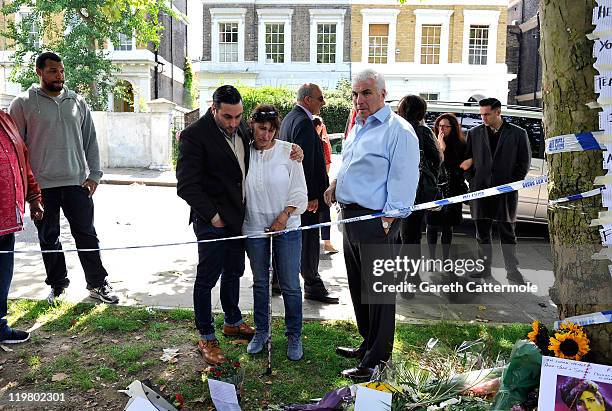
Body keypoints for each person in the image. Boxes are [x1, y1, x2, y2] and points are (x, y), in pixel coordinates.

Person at [176, 85, 303, 365]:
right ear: (214, 110)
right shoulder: (194, 136)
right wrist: (214, 217)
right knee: (207, 277)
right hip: (212, 222)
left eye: (237, 117)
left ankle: (232, 320)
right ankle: (206, 335)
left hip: (238, 220)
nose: (233, 123)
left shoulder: (243, 131)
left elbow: (264, 144)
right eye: (227, 117)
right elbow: (186, 186)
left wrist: (295, 150)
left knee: (233, 270)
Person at [324, 69, 419, 380]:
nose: (358, 99)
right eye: (355, 93)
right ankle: (368, 344)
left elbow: (404, 180)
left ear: (382, 93)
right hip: (350, 217)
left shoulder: (398, 131)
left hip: (377, 221)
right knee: (359, 288)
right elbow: (353, 164)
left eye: (365, 93)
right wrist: (336, 184)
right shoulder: (358, 126)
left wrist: (388, 220)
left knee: (378, 294)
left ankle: (377, 359)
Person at [8, 52, 118, 305]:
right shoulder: (22, 103)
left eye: (61, 71)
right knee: (49, 237)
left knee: (87, 234)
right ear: (39, 71)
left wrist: (94, 175)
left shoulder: (76, 101)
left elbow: (90, 140)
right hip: (42, 186)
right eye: (52, 71)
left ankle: (98, 283)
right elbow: (16, 149)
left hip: (77, 183)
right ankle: (58, 286)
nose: (59, 76)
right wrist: (26, 186)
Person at [243, 105, 307, 361]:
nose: (266, 135)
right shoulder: (243, 151)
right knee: (260, 283)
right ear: (252, 125)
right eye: (261, 128)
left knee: (291, 285)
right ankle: (262, 331)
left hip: (287, 227)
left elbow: (299, 191)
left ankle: (294, 335)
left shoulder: (288, 152)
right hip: (254, 226)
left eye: (271, 130)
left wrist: (283, 218)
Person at [460, 98, 531, 284]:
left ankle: (512, 271)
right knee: (482, 233)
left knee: (508, 233)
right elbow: (467, 160)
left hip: (506, 191)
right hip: (480, 190)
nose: (483, 118)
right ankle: (483, 269)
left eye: (487, 114)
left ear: (498, 112)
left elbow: (523, 163)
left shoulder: (518, 133)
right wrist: (471, 180)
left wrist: (512, 184)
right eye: (481, 114)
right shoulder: (474, 133)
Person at [280, 83, 338, 304]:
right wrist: (311, 196)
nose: (323, 102)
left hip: (294, 194)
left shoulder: (290, 118)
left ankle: (279, 280)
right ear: (307, 100)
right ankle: (312, 284)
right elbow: (304, 164)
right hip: (305, 197)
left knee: (295, 238)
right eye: (320, 98)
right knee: (309, 241)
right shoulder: (303, 122)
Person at [0, 110, 44, 344]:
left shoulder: (6, 120)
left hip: (7, 220)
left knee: (2, 275)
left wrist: (34, 197)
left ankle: (0, 326)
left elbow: (22, 161)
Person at [397, 95, 441, 292]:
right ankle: (411, 278)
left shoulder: (395, 129)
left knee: (397, 235)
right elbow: (437, 159)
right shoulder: (423, 131)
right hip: (416, 193)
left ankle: (398, 275)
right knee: (412, 237)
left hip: (395, 190)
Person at [426, 113, 468, 261]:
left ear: (453, 128)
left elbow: (458, 167)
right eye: (439, 125)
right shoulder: (431, 142)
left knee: (447, 226)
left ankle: (445, 258)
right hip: (436, 190)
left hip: (453, 189)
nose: (441, 129)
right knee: (431, 225)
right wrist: (439, 149)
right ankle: (431, 258)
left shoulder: (460, 145)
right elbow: (429, 166)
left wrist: (444, 150)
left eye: (445, 126)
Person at [313, 116, 338, 254]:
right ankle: (327, 242)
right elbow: (327, 164)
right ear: (319, 126)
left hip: (313, 183)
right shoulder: (322, 143)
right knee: (324, 213)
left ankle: (320, 242)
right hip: (322, 182)